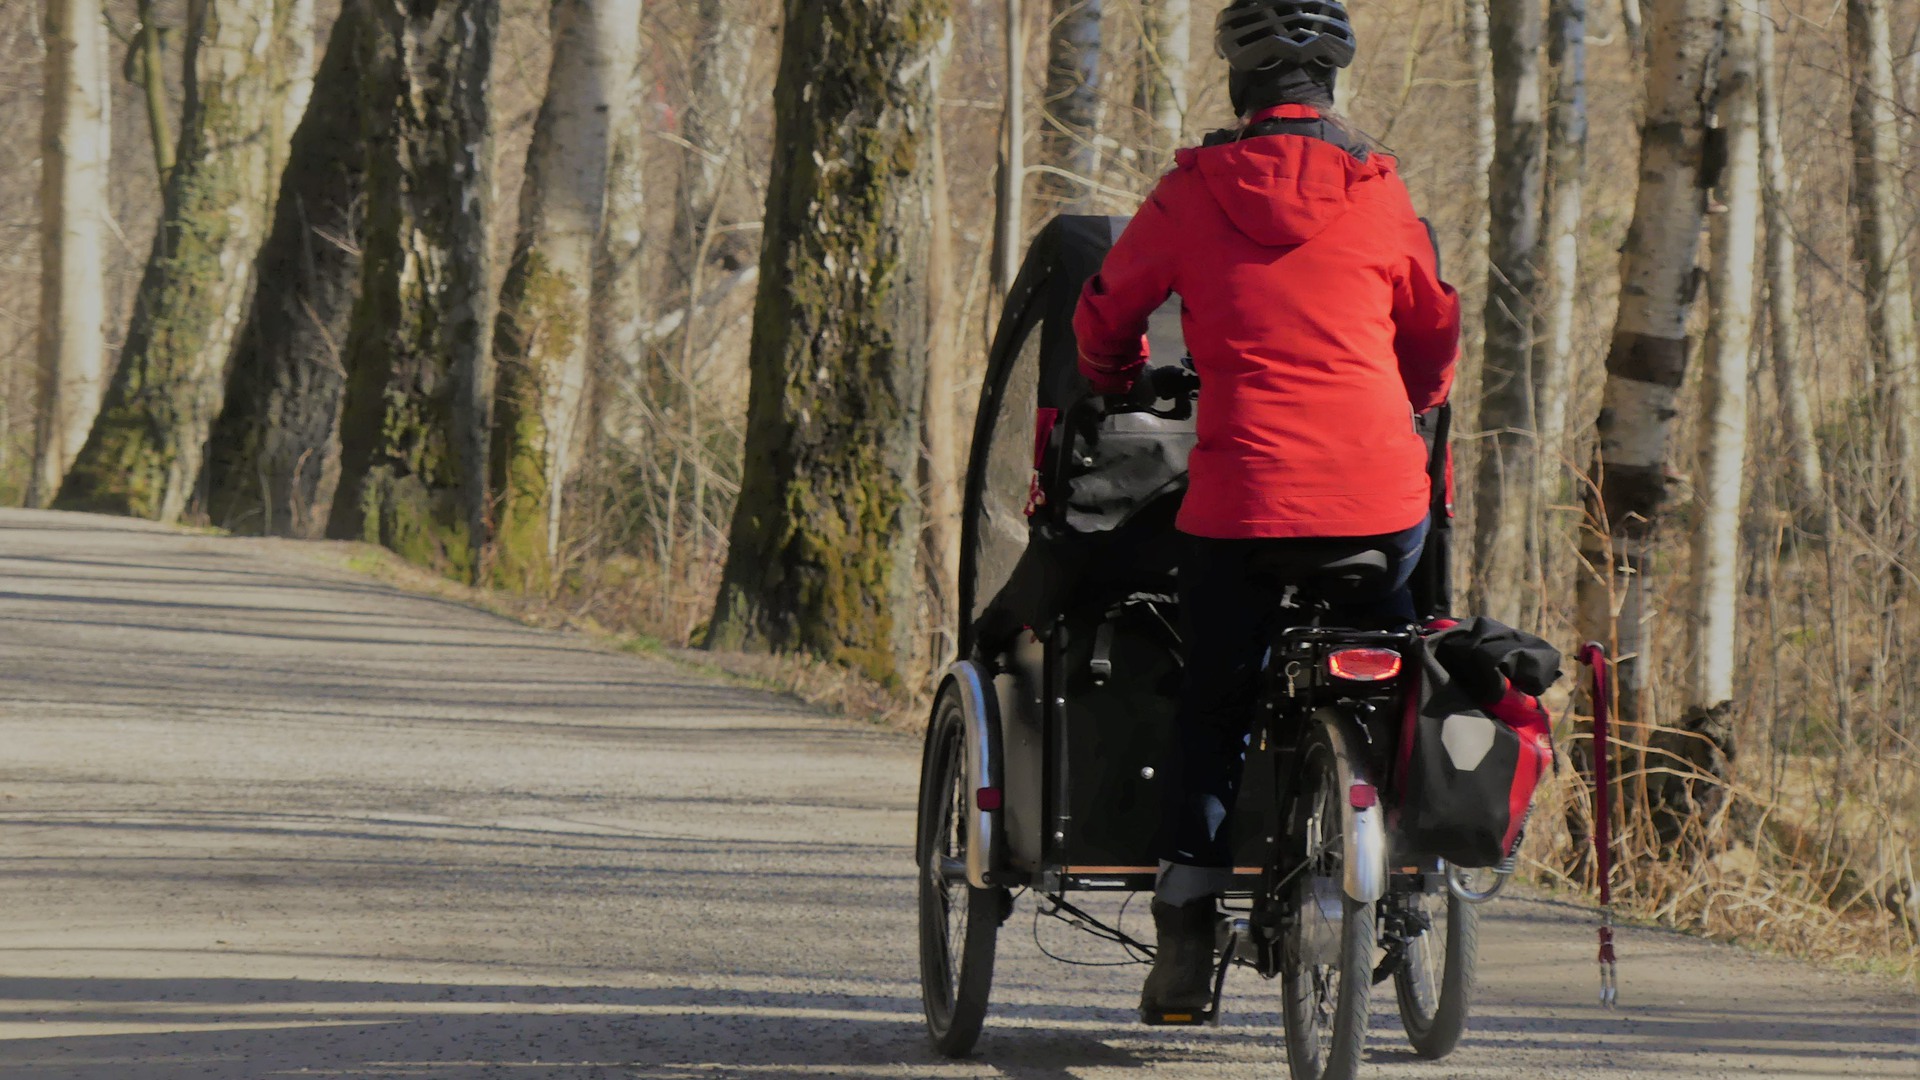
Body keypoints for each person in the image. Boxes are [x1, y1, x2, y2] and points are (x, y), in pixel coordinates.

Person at [1070, 0, 1461, 1018]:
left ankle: (1187, 938)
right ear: (1334, 86)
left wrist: (1111, 374)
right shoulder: (1381, 190)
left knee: (1215, 703)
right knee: (1400, 662)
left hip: (1242, 506)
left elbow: (1109, 307)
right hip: (1378, 505)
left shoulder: (1193, 191)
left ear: (1239, 84)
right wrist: (1410, 401)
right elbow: (1431, 331)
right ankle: (1411, 880)